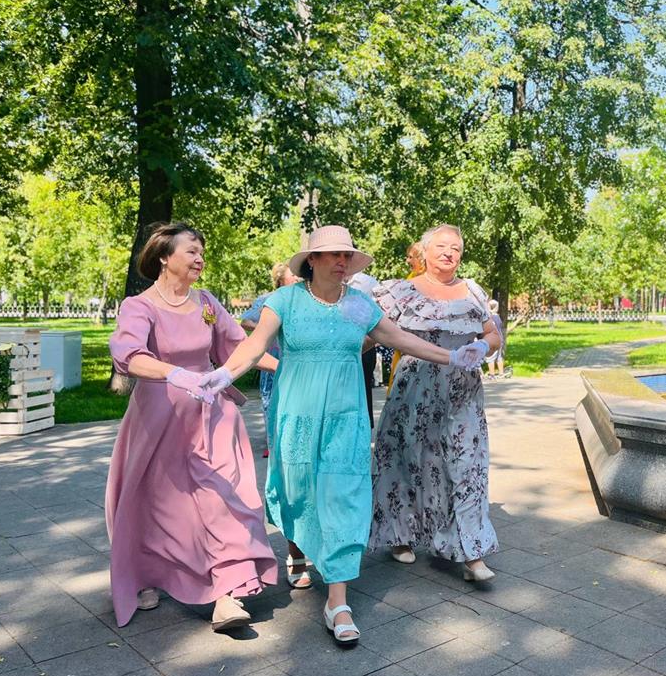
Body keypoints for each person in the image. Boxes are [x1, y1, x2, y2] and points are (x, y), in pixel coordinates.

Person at [197, 225, 496, 645]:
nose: (342, 262)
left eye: (347, 256)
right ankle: (297, 550)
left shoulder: (358, 306)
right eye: (334, 255)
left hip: (346, 419)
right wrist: (223, 375)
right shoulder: (284, 301)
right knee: (296, 492)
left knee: (343, 497)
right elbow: (254, 345)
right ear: (313, 261)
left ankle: (337, 602)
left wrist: (453, 356)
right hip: (297, 416)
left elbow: (400, 338)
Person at [106, 222, 278, 632]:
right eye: (191, 251)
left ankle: (228, 593)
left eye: (202, 252)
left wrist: (289, 368)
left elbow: (240, 348)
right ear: (165, 258)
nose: (200, 258)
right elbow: (128, 355)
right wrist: (174, 374)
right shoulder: (139, 306)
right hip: (159, 417)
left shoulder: (206, 302)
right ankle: (147, 574)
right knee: (159, 503)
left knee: (223, 498)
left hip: (212, 416)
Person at [370, 224, 500, 583]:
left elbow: (493, 334)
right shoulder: (401, 292)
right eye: (441, 246)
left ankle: (472, 553)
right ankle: (400, 534)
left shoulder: (472, 291)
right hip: (415, 390)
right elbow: (370, 333)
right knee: (406, 460)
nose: (448, 253)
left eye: (455, 248)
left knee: (468, 466)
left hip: (463, 391)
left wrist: (483, 346)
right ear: (424, 252)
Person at [241, 263, 300, 457]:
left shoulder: (303, 299)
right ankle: (272, 442)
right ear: (281, 279)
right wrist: (268, 327)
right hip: (272, 356)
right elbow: (245, 321)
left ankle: (292, 440)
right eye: (292, 275)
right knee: (270, 398)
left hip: (296, 357)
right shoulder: (267, 299)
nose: (297, 278)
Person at [388, 241, 426, 392]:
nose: (407, 261)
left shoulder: (425, 282)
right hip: (404, 343)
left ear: (421, 258)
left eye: (411, 257)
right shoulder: (410, 278)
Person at [347, 270, 380, 427]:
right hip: (336, 348)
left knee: (363, 388)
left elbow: (379, 316)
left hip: (364, 345)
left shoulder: (368, 283)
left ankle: (364, 428)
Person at [484, 299, 508, 379]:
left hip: (492, 340)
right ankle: (501, 373)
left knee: (490, 358)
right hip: (499, 339)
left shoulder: (488, 317)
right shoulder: (497, 317)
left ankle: (492, 375)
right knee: (499, 357)